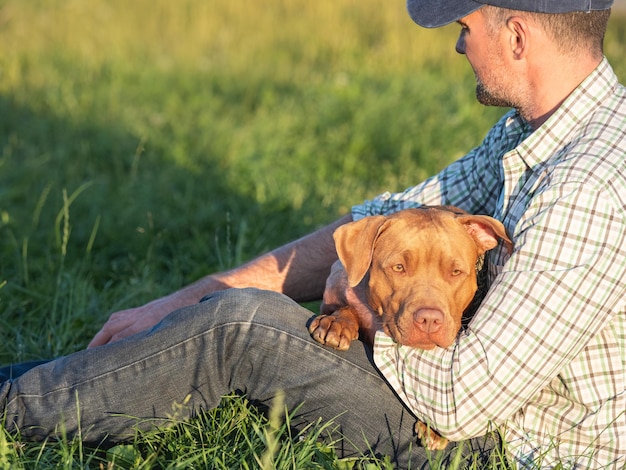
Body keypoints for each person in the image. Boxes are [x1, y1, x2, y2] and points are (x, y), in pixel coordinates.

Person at [1, 0, 624, 467]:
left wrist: (358, 299)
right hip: (462, 388)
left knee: (238, 330)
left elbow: (463, 400)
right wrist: (176, 303)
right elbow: (379, 224)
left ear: (516, 35)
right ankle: (39, 385)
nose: (460, 48)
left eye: (465, 28)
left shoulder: (586, 188)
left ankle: (12, 408)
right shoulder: (530, 134)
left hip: (500, 442)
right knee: (229, 316)